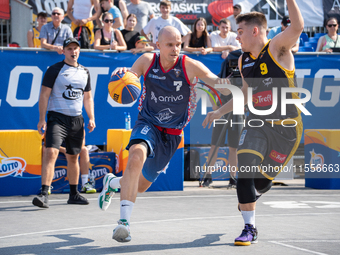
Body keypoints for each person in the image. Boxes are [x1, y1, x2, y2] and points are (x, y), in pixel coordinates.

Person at [97, 26, 229, 242]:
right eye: (170, 44)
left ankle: (112, 183)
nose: (175, 48)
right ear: (158, 45)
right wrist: (122, 74)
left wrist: (238, 86)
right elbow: (129, 77)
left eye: (178, 44)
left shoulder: (189, 66)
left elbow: (217, 83)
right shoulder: (147, 61)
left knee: (139, 186)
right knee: (136, 156)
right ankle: (124, 224)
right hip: (147, 122)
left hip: (172, 134)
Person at [203, 0, 304, 246]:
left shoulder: (278, 48)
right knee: (245, 171)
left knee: (260, 182)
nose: (237, 37)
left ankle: (252, 195)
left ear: (255, 30)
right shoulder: (243, 61)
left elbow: (298, 27)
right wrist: (220, 111)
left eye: (240, 31)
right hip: (258, 123)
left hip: (287, 128)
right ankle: (250, 227)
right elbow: (245, 95)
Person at [32, 37, 96, 209]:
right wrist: (41, 119)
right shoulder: (55, 69)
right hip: (57, 117)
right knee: (50, 152)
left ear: (79, 51)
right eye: (69, 49)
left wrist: (91, 117)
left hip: (76, 119)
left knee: (73, 156)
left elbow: (88, 97)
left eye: (76, 48)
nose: (73, 52)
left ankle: (74, 194)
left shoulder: (85, 71)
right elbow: (44, 95)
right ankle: (44, 193)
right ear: (64, 51)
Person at [201, 49, 243, 188]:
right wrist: (214, 106)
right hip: (221, 112)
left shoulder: (244, 76)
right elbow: (210, 89)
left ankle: (233, 178)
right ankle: (208, 176)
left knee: (234, 147)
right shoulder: (222, 76)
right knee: (215, 145)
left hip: (237, 113)